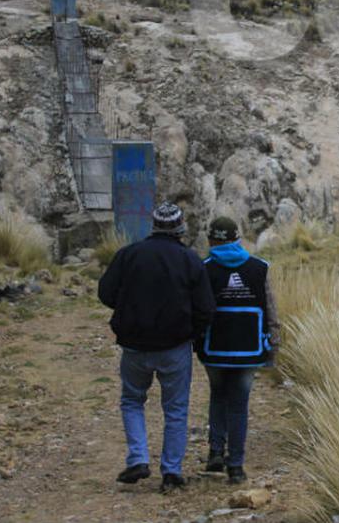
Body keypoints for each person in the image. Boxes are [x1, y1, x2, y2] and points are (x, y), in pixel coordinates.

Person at [98, 202, 215, 494]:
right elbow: (206, 308)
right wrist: (193, 333)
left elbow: (106, 293)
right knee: (175, 409)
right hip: (175, 347)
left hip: (134, 346)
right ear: (180, 228)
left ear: (153, 226)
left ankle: (138, 457)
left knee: (132, 400)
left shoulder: (129, 255)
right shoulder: (190, 260)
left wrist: (128, 309)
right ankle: (172, 471)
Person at [196, 216, 280, 484]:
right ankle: (236, 466)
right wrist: (274, 345)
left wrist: (195, 342)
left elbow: (198, 310)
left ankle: (215, 454)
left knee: (218, 397)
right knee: (239, 406)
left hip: (215, 349)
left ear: (211, 240)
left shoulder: (204, 268)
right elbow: (270, 309)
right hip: (249, 349)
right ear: (237, 239)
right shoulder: (259, 268)